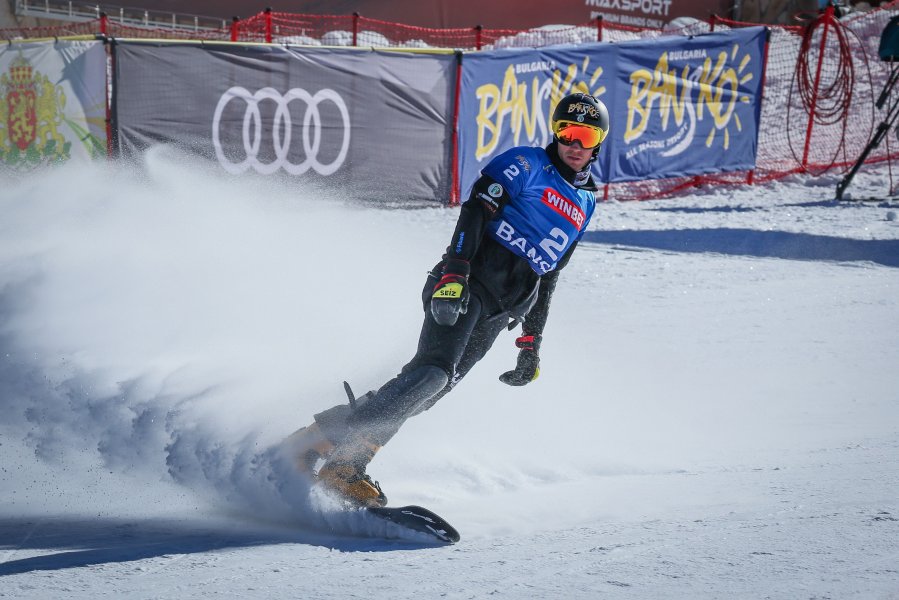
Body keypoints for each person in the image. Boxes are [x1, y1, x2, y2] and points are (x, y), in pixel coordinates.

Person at [285, 92, 610, 507]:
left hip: (502, 311)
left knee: (424, 392)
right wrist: (455, 272)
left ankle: (310, 442)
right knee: (430, 375)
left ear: (598, 140)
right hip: (467, 284)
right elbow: (476, 210)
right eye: (567, 132)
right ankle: (345, 466)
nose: (574, 145)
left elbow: (549, 275)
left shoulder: (585, 201)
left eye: (585, 135)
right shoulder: (527, 163)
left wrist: (531, 343)